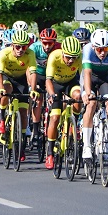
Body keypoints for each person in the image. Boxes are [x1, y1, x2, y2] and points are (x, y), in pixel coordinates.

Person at [0, 29, 37, 162]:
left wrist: (33, 89)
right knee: (6, 89)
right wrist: (0, 89)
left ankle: (21, 143)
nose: (21, 50)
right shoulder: (4, 53)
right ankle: (1, 118)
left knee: (23, 112)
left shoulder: (30, 53)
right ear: (12, 45)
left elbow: (33, 73)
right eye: (18, 47)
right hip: (7, 77)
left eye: (24, 47)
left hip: (21, 80)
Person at [80, 29, 108, 164]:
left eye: (106, 49)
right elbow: (87, 73)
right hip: (89, 77)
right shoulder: (87, 49)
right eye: (99, 49)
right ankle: (86, 145)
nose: (103, 52)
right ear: (93, 46)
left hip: (105, 78)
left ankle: (106, 139)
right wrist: (88, 92)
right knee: (91, 104)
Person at [43, 36, 83, 169]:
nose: (71, 60)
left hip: (71, 83)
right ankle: (50, 153)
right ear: (63, 53)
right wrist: (51, 94)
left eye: (74, 58)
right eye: (68, 57)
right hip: (56, 85)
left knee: (78, 96)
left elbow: (83, 78)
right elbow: (48, 80)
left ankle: (74, 123)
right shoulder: (54, 56)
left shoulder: (79, 58)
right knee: (55, 117)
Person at [28, 28, 60, 146]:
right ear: (41, 41)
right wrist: (32, 85)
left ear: (54, 42)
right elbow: (29, 68)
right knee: (38, 99)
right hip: (38, 75)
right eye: (45, 43)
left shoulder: (59, 48)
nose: (47, 46)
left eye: (50, 43)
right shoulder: (34, 48)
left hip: (52, 76)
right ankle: (36, 131)